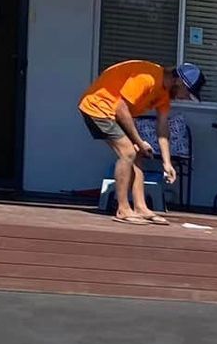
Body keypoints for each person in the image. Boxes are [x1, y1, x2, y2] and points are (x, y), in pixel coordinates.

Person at [79, 60, 204, 224]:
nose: (186, 98)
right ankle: (123, 209)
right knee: (128, 152)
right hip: (99, 106)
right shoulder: (148, 78)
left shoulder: (164, 94)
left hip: (117, 112)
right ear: (179, 81)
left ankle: (140, 207)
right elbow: (120, 108)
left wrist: (167, 163)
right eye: (187, 94)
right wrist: (139, 141)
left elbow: (162, 127)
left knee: (137, 154)